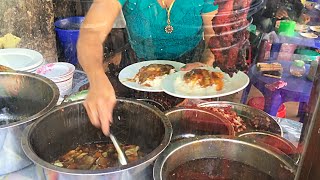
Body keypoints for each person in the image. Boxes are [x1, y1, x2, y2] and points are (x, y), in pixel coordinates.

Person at [77, 0, 219, 135]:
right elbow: (91, 33)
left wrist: (205, 65)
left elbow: (214, 35)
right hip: (138, 71)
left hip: (191, 68)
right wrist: (97, 79)